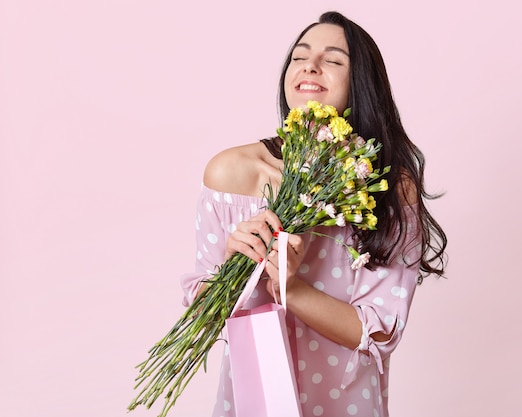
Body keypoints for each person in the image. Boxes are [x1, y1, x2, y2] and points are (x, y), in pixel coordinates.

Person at [181, 11, 447, 417]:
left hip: (347, 401)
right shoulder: (231, 174)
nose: (310, 65)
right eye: (299, 56)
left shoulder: (390, 186)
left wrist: (293, 289)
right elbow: (203, 321)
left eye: (334, 59)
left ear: (360, 86)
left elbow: (379, 331)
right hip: (255, 401)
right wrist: (237, 265)